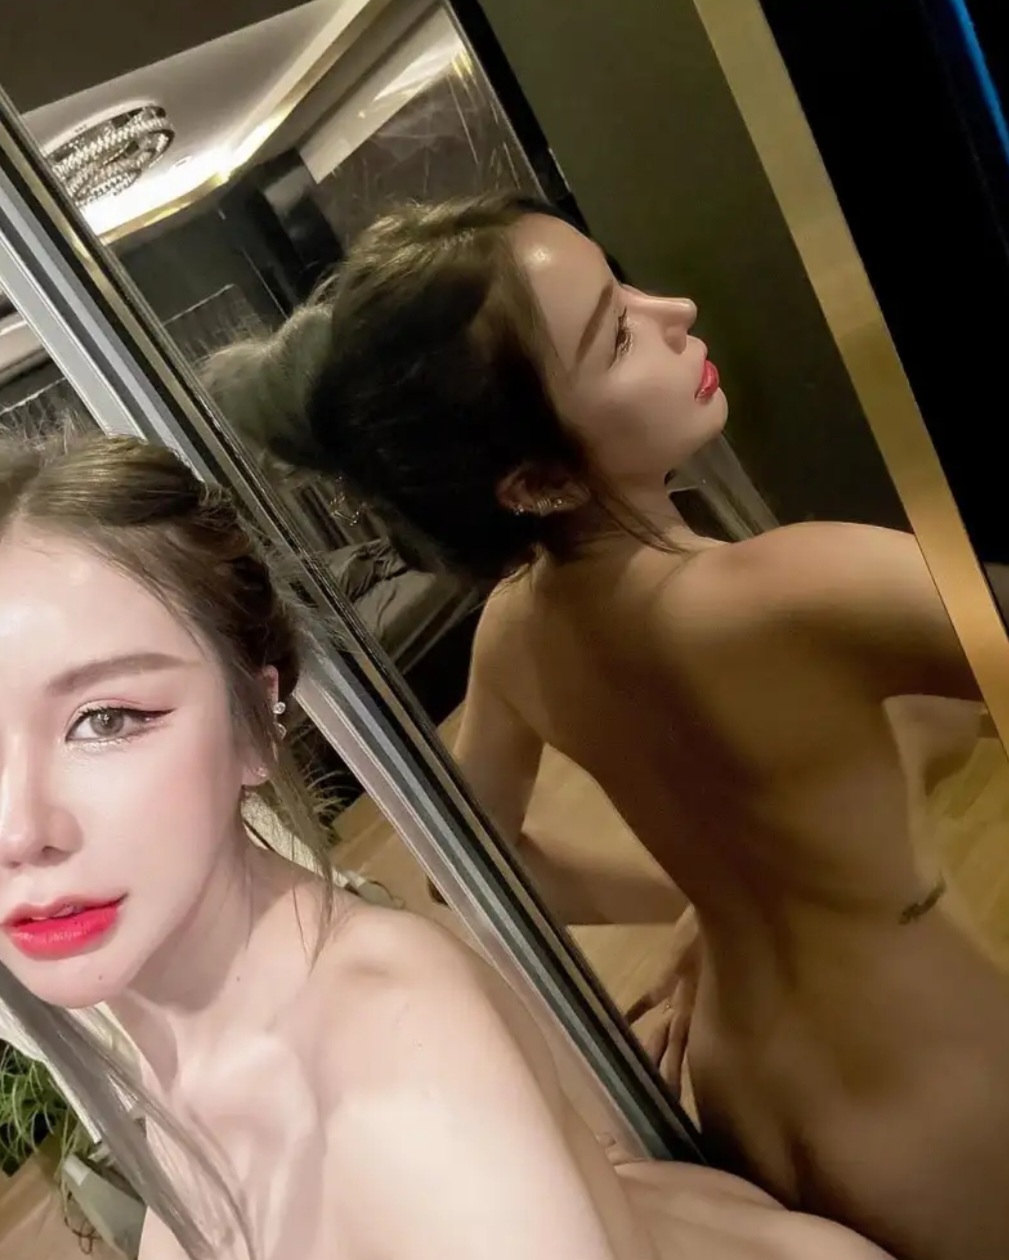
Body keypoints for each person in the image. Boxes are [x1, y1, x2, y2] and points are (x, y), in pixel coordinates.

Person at [202, 193, 1009, 1260]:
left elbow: (474, 868)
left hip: (737, 1096)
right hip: (932, 1098)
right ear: (535, 480)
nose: (673, 312)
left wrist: (719, 897)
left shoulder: (514, 635)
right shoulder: (797, 587)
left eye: (624, 286)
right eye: (617, 335)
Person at [0, 430, 894, 1260]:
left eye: (106, 719)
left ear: (255, 724)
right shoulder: (192, 1048)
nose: (18, 830)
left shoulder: (396, 1087)